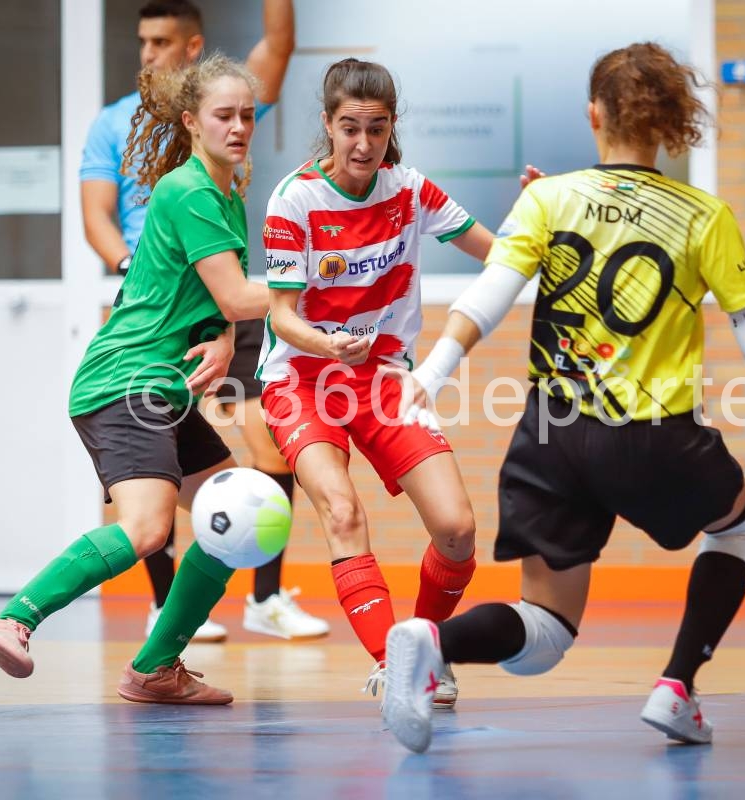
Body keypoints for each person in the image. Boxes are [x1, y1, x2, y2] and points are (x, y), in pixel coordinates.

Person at [378, 42, 745, 753]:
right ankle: (678, 687)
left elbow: (492, 292)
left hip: (549, 435)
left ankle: (430, 639)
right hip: (652, 435)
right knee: (740, 529)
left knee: (547, 631)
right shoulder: (703, 215)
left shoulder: (547, 196)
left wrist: (430, 373)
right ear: (671, 122)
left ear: (594, 114)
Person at [0, 53, 281, 704]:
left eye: (248, 115)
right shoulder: (188, 190)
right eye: (224, 115)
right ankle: (13, 620)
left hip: (161, 385)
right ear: (192, 121)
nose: (240, 127)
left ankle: (155, 669)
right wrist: (329, 281)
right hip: (125, 380)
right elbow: (239, 292)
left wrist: (221, 343)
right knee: (147, 529)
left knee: (245, 515)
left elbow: (220, 300)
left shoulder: (227, 193)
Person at [79, 0, 327, 642]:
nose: (147, 54)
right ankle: (164, 605)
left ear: (192, 49)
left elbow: (277, 44)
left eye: (160, 41)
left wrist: (220, 322)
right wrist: (136, 267)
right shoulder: (115, 127)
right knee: (152, 479)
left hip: (228, 300)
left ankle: (264, 599)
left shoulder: (226, 115)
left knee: (266, 450)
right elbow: (96, 218)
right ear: (194, 121)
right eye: (141, 41)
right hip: (161, 308)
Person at [259, 58, 496, 708]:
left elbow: (499, 255)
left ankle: (424, 648)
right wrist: (329, 342)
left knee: (456, 529)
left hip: (384, 377)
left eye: (377, 128)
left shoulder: (411, 190)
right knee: (342, 510)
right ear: (328, 125)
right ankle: (395, 664)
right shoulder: (296, 198)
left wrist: (538, 216)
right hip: (302, 379)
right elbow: (281, 314)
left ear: (392, 128)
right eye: (349, 128)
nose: (363, 144)